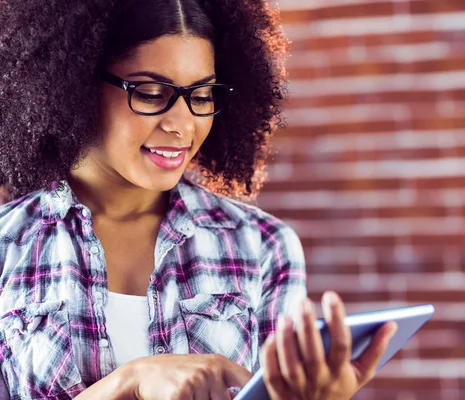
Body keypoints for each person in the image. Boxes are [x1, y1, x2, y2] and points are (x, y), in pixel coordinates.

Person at [0, 0, 398, 399]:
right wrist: (132, 382)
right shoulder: (7, 246)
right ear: (75, 85)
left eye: (202, 95)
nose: (182, 125)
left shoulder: (263, 245)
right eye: (152, 93)